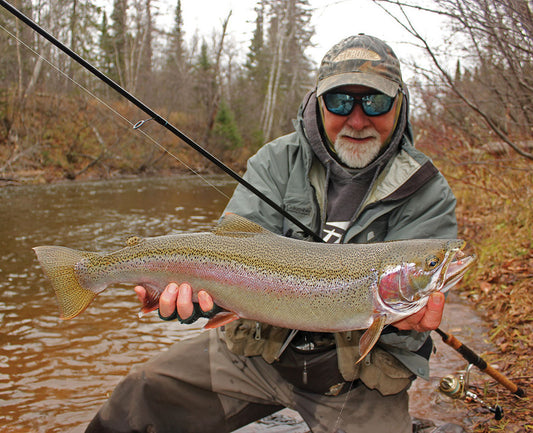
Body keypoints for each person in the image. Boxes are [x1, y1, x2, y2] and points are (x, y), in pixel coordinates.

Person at [85, 34, 458, 433]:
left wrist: (410, 318)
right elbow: (228, 260)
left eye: (375, 101)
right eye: (339, 101)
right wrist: (196, 303)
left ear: (399, 104)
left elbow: (418, 287)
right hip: (255, 352)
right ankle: (85, 274)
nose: (357, 118)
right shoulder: (274, 161)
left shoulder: (426, 188)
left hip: (357, 378)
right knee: (140, 395)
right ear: (317, 102)